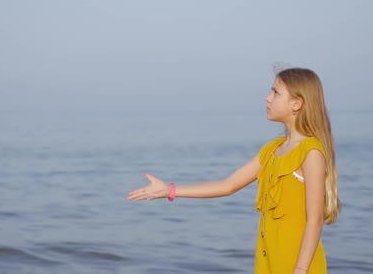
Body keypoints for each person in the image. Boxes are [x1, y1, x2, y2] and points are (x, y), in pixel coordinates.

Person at [127, 67, 341, 274]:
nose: (267, 98)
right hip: (269, 257)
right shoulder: (272, 150)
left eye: (275, 93)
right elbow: (227, 185)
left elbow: (315, 217)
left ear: (296, 103)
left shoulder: (310, 152)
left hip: (298, 262)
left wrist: (301, 269)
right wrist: (170, 190)